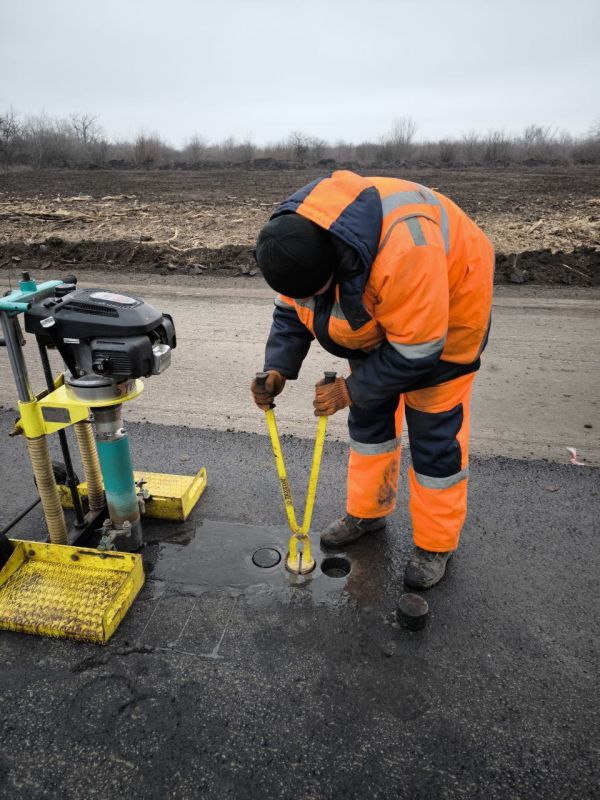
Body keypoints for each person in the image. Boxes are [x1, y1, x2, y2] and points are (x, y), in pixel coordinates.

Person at [251, 170, 494, 589]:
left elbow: (418, 351)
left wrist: (348, 389)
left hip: (450, 313)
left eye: (317, 293)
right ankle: (369, 512)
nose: (309, 301)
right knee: (369, 422)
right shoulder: (294, 239)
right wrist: (278, 368)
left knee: (434, 435)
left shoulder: (406, 250)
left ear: (335, 268)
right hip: (387, 306)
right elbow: (291, 311)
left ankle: (436, 543)